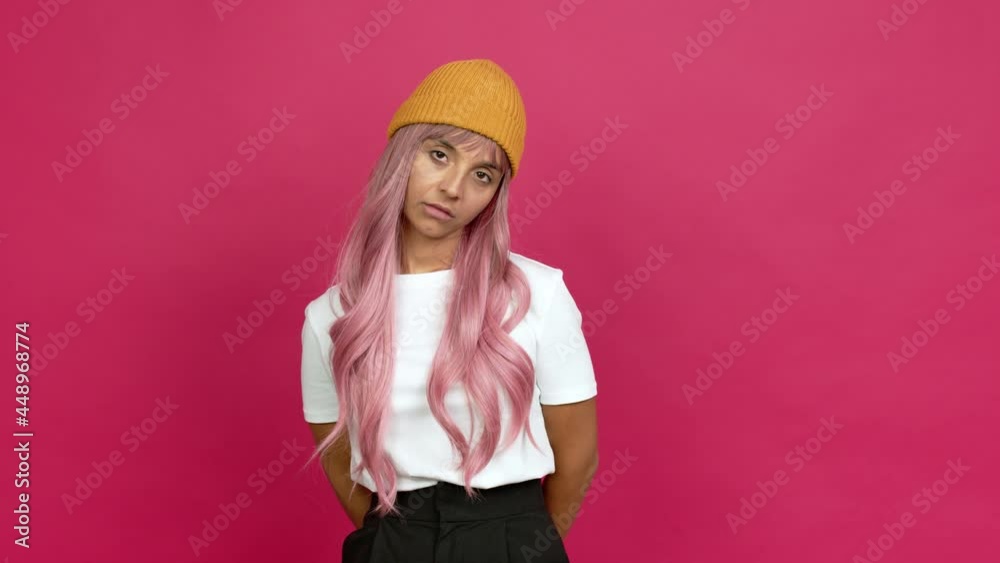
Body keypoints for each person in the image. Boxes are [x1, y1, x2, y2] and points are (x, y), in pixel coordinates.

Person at [299, 58, 599, 563]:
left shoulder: (538, 294)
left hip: (511, 540)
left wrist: (522, 544)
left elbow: (578, 460)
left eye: (482, 174)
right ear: (402, 154)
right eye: (439, 154)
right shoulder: (330, 316)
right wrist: (396, 540)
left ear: (494, 194)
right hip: (393, 539)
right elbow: (337, 458)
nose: (454, 188)